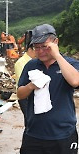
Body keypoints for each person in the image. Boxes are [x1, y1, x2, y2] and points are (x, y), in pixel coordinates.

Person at [17, 23, 79, 154]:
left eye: (45, 47)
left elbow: (75, 81)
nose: (40, 51)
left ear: (55, 42)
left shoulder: (70, 64)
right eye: (36, 47)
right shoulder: (31, 65)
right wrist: (31, 86)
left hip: (63, 134)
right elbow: (20, 94)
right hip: (34, 133)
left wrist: (57, 56)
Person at [14, 31, 36, 127]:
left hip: (35, 96)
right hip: (25, 98)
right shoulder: (21, 62)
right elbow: (22, 84)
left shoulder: (35, 61)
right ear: (32, 49)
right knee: (30, 121)